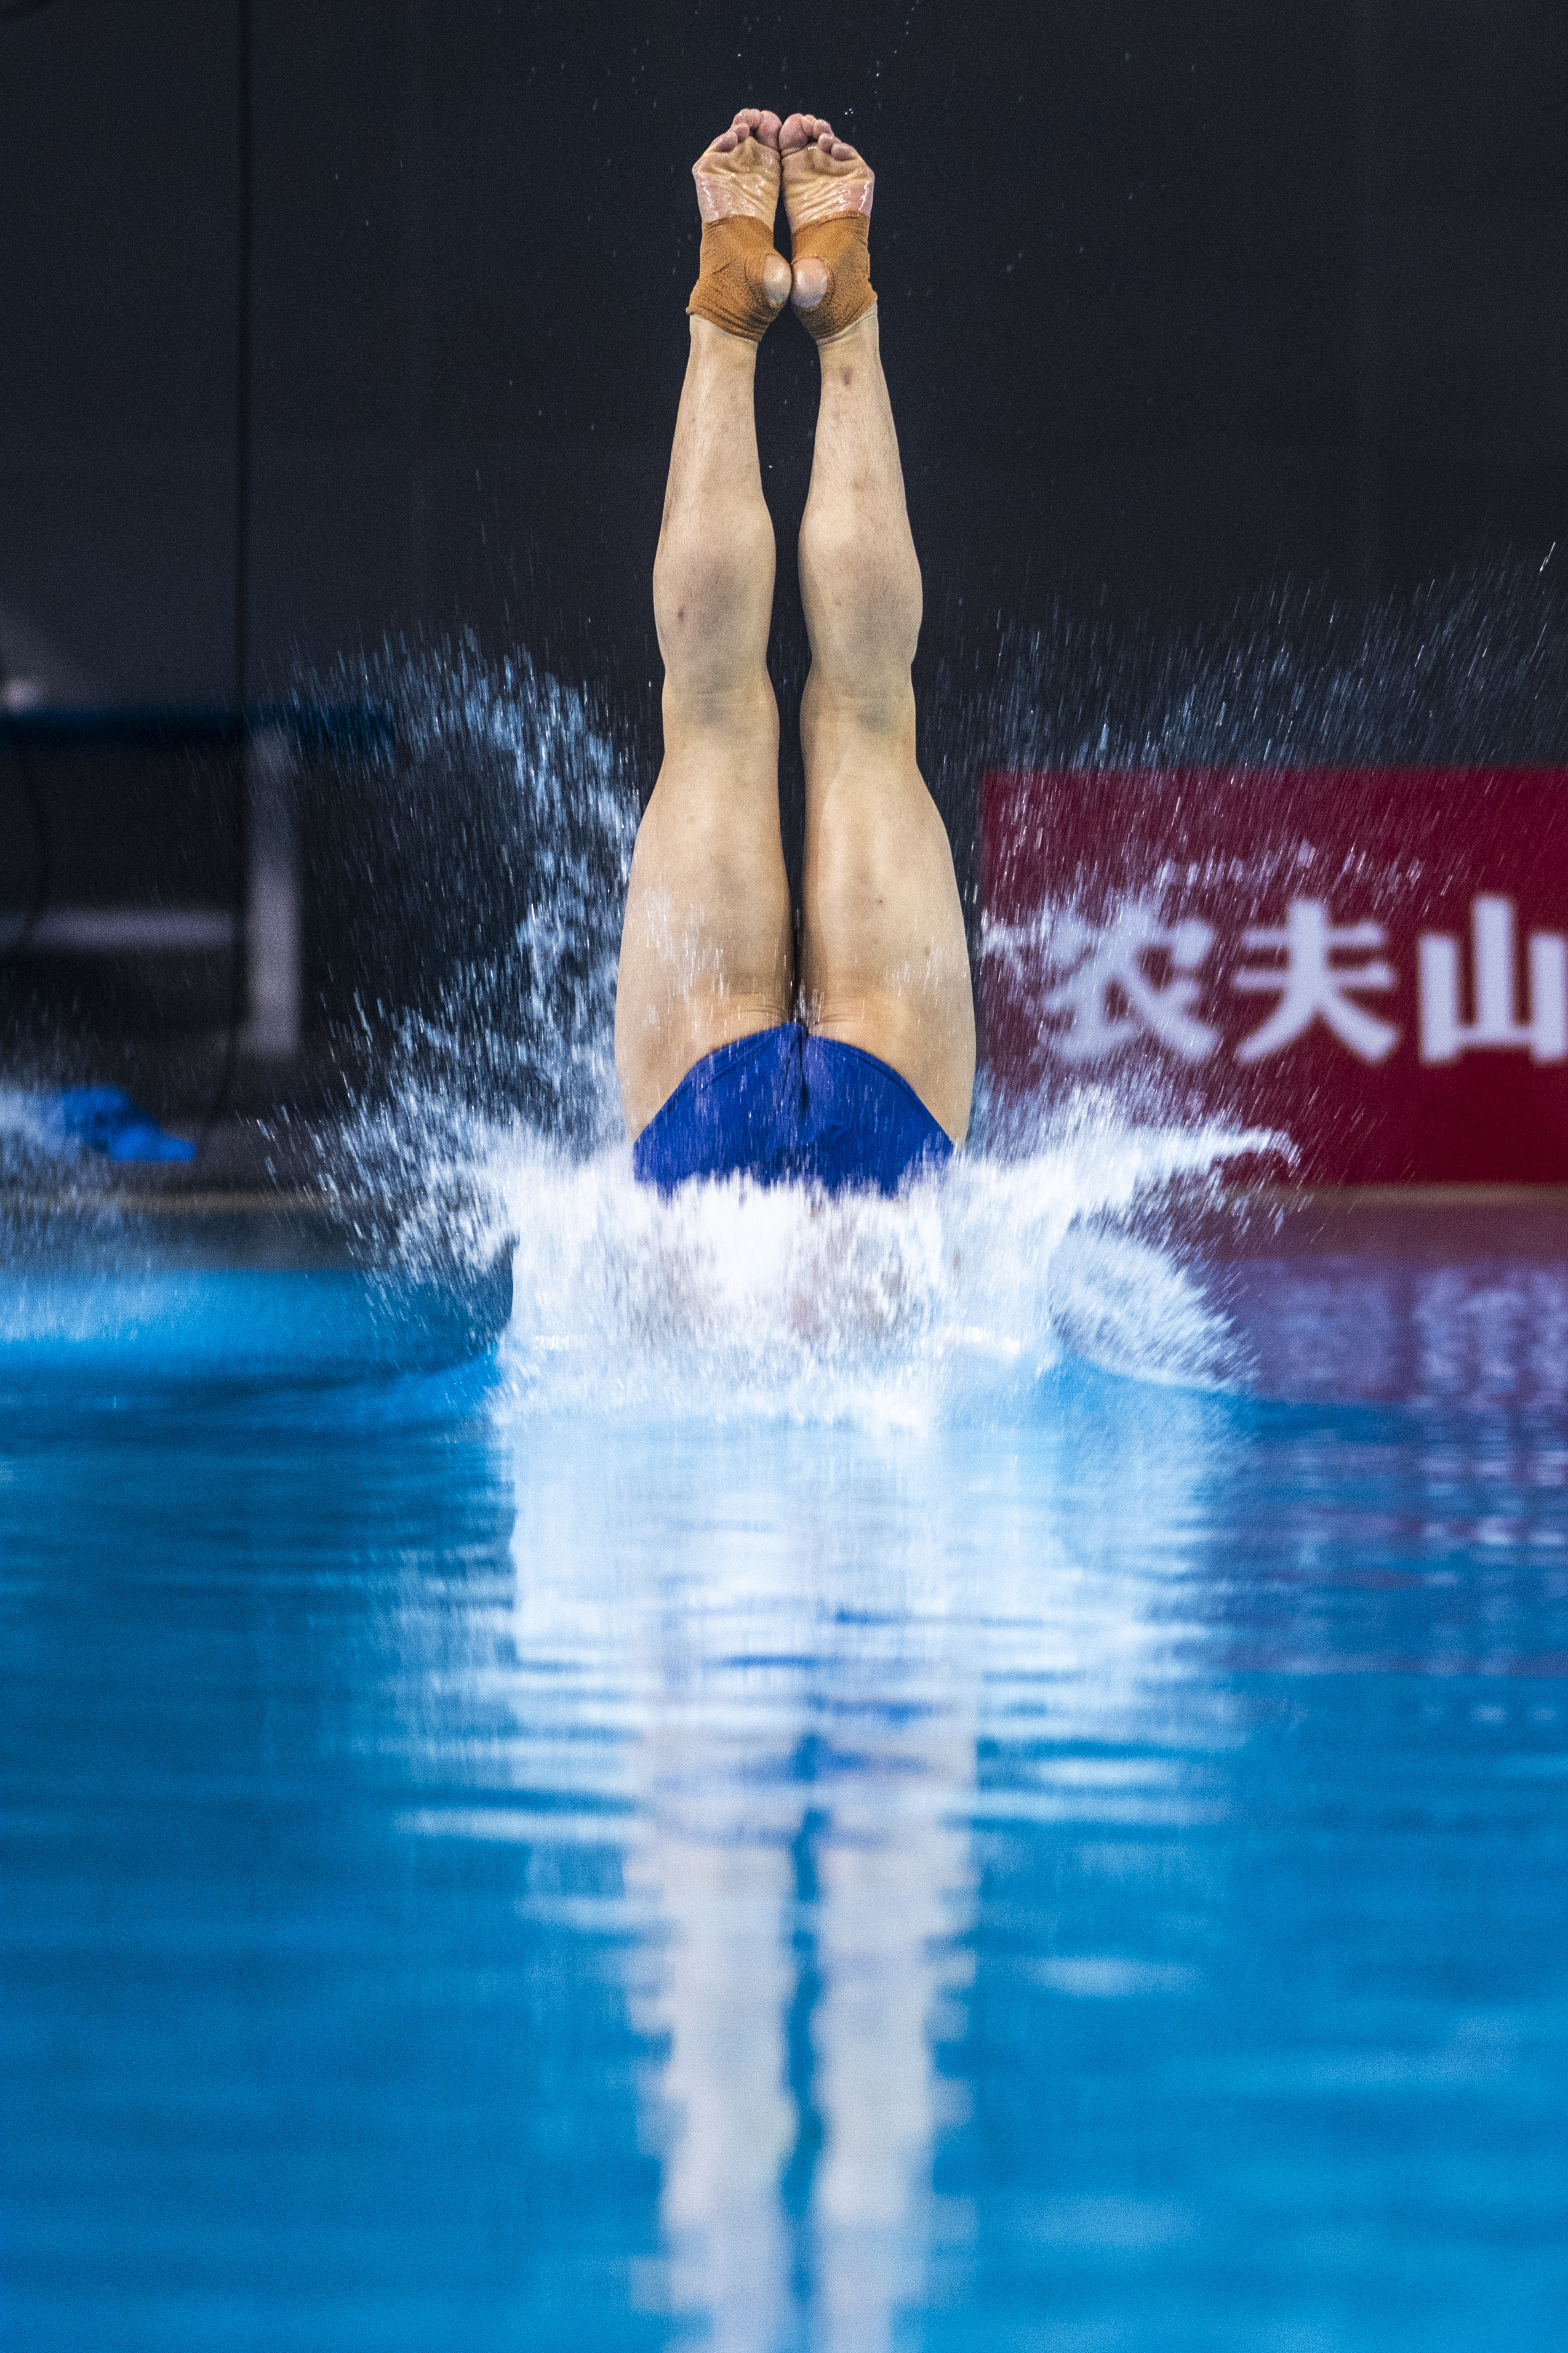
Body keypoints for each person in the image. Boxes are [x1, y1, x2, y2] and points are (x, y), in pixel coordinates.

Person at [615, 109, 975, 1195]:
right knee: (834, 715)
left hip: (729, 1173)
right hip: (821, 1140)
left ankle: (747, 298)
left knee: (737, 713)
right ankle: (824, 306)